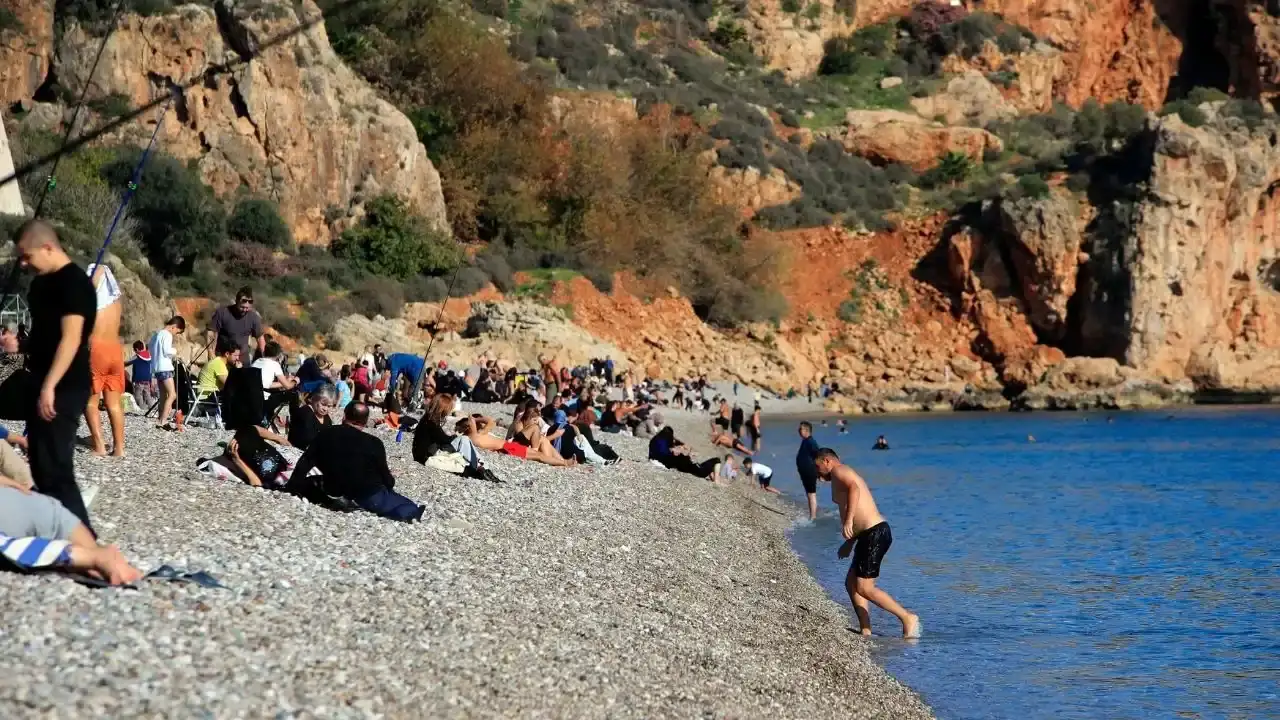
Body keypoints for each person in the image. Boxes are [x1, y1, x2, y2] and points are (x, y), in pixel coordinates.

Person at [15, 221, 98, 531]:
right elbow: (45, 336)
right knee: (40, 465)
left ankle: (85, 540)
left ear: (48, 247)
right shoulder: (40, 286)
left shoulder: (74, 283)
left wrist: (50, 386)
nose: (23, 264)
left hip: (65, 386)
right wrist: (19, 345)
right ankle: (57, 532)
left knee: (56, 468)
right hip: (40, 380)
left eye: (27, 256)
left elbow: (71, 338)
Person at [815, 447, 920, 638]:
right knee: (851, 584)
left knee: (864, 587)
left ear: (827, 461)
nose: (817, 472)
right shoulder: (838, 476)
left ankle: (907, 617)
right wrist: (850, 542)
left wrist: (848, 521)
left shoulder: (839, 470)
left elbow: (854, 489)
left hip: (875, 533)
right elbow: (857, 508)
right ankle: (865, 630)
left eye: (817, 467)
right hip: (866, 534)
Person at [287, 402, 425, 522]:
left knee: (311, 482)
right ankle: (406, 514)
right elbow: (388, 480)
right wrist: (390, 483)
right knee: (407, 505)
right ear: (365, 422)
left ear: (344, 417)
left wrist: (292, 486)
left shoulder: (325, 434)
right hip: (366, 495)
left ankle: (338, 501)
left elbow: (305, 462)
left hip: (333, 489)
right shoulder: (374, 443)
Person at [0, 482, 142, 585]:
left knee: (105, 571)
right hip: (38, 507)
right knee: (109, 572)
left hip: (33, 512)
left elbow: (11, 548)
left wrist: (90, 557)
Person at [84, 260, 126, 457]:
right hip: (116, 351)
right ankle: (119, 448)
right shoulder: (116, 304)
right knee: (114, 403)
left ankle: (99, 446)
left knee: (90, 402)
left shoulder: (92, 303)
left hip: (97, 350)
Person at [148, 316, 185, 428]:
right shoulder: (167, 334)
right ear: (174, 327)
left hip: (157, 368)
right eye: (177, 332)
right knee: (172, 395)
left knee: (163, 396)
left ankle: (160, 419)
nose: (176, 334)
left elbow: (150, 349)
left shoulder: (156, 335)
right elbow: (167, 351)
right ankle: (163, 421)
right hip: (165, 368)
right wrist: (175, 351)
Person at [209, 287, 265, 362]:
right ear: (236, 301)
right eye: (242, 307)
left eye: (247, 308)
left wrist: (265, 358)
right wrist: (211, 352)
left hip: (242, 358)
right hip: (223, 357)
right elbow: (212, 332)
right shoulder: (222, 313)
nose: (245, 310)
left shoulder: (253, 317)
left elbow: (260, 338)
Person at [647, 426, 719, 479]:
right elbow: (672, 451)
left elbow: (670, 447)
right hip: (671, 461)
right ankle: (716, 480)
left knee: (700, 465)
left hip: (655, 458)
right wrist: (687, 454)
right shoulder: (669, 445)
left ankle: (714, 476)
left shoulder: (656, 439)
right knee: (716, 460)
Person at [252, 340, 296, 423]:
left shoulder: (256, 362)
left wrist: (284, 381)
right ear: (278, 355)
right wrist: (295, 381)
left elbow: (265, 384)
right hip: (263, 401)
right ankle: (294, 422)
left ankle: (269, 418)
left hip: (252, 398)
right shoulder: (275, 364)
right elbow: (288, 386)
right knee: (294, 395)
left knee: (273, 393)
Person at [288, 382, 335, 451]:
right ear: (314, 398)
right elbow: (305, 439)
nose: (325, 409)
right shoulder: (305, 414)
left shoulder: (326, 417)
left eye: (329, 406)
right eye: (323, 404)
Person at [796, 421, 820, 521]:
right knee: (809, 493)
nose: (798, 431)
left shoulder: (811, 441)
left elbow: (818, 455)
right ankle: (812, 515)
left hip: (810, 471)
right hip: (805, 471)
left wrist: (818, 471)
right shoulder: (805, 441)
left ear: (806, 430)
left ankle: (813, 517)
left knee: (811, 493)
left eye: (800, 429)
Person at [125, 340, 154, 412]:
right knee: (147, 395)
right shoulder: (149, 355)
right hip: (147, 379)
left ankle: (142, 409)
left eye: (134, 349)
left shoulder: (137, 356)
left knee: (138, 395)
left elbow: (127, 363)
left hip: (138, 380)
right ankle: (151, 407)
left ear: (137, 349)